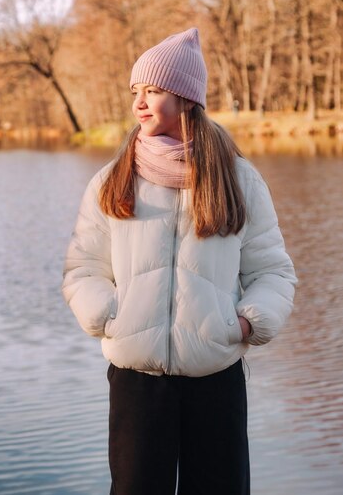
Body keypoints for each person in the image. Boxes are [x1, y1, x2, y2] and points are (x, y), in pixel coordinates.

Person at [62, 28, 296, 495]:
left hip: (215, 378)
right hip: (136, 383)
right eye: (135, 91)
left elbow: (272, 271)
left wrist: (246, 324)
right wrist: (108, 315)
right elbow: (83, 269)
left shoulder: (238, 180)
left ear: (186, 97)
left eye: (153, 90)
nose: (140, 103)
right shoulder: (113, 180)